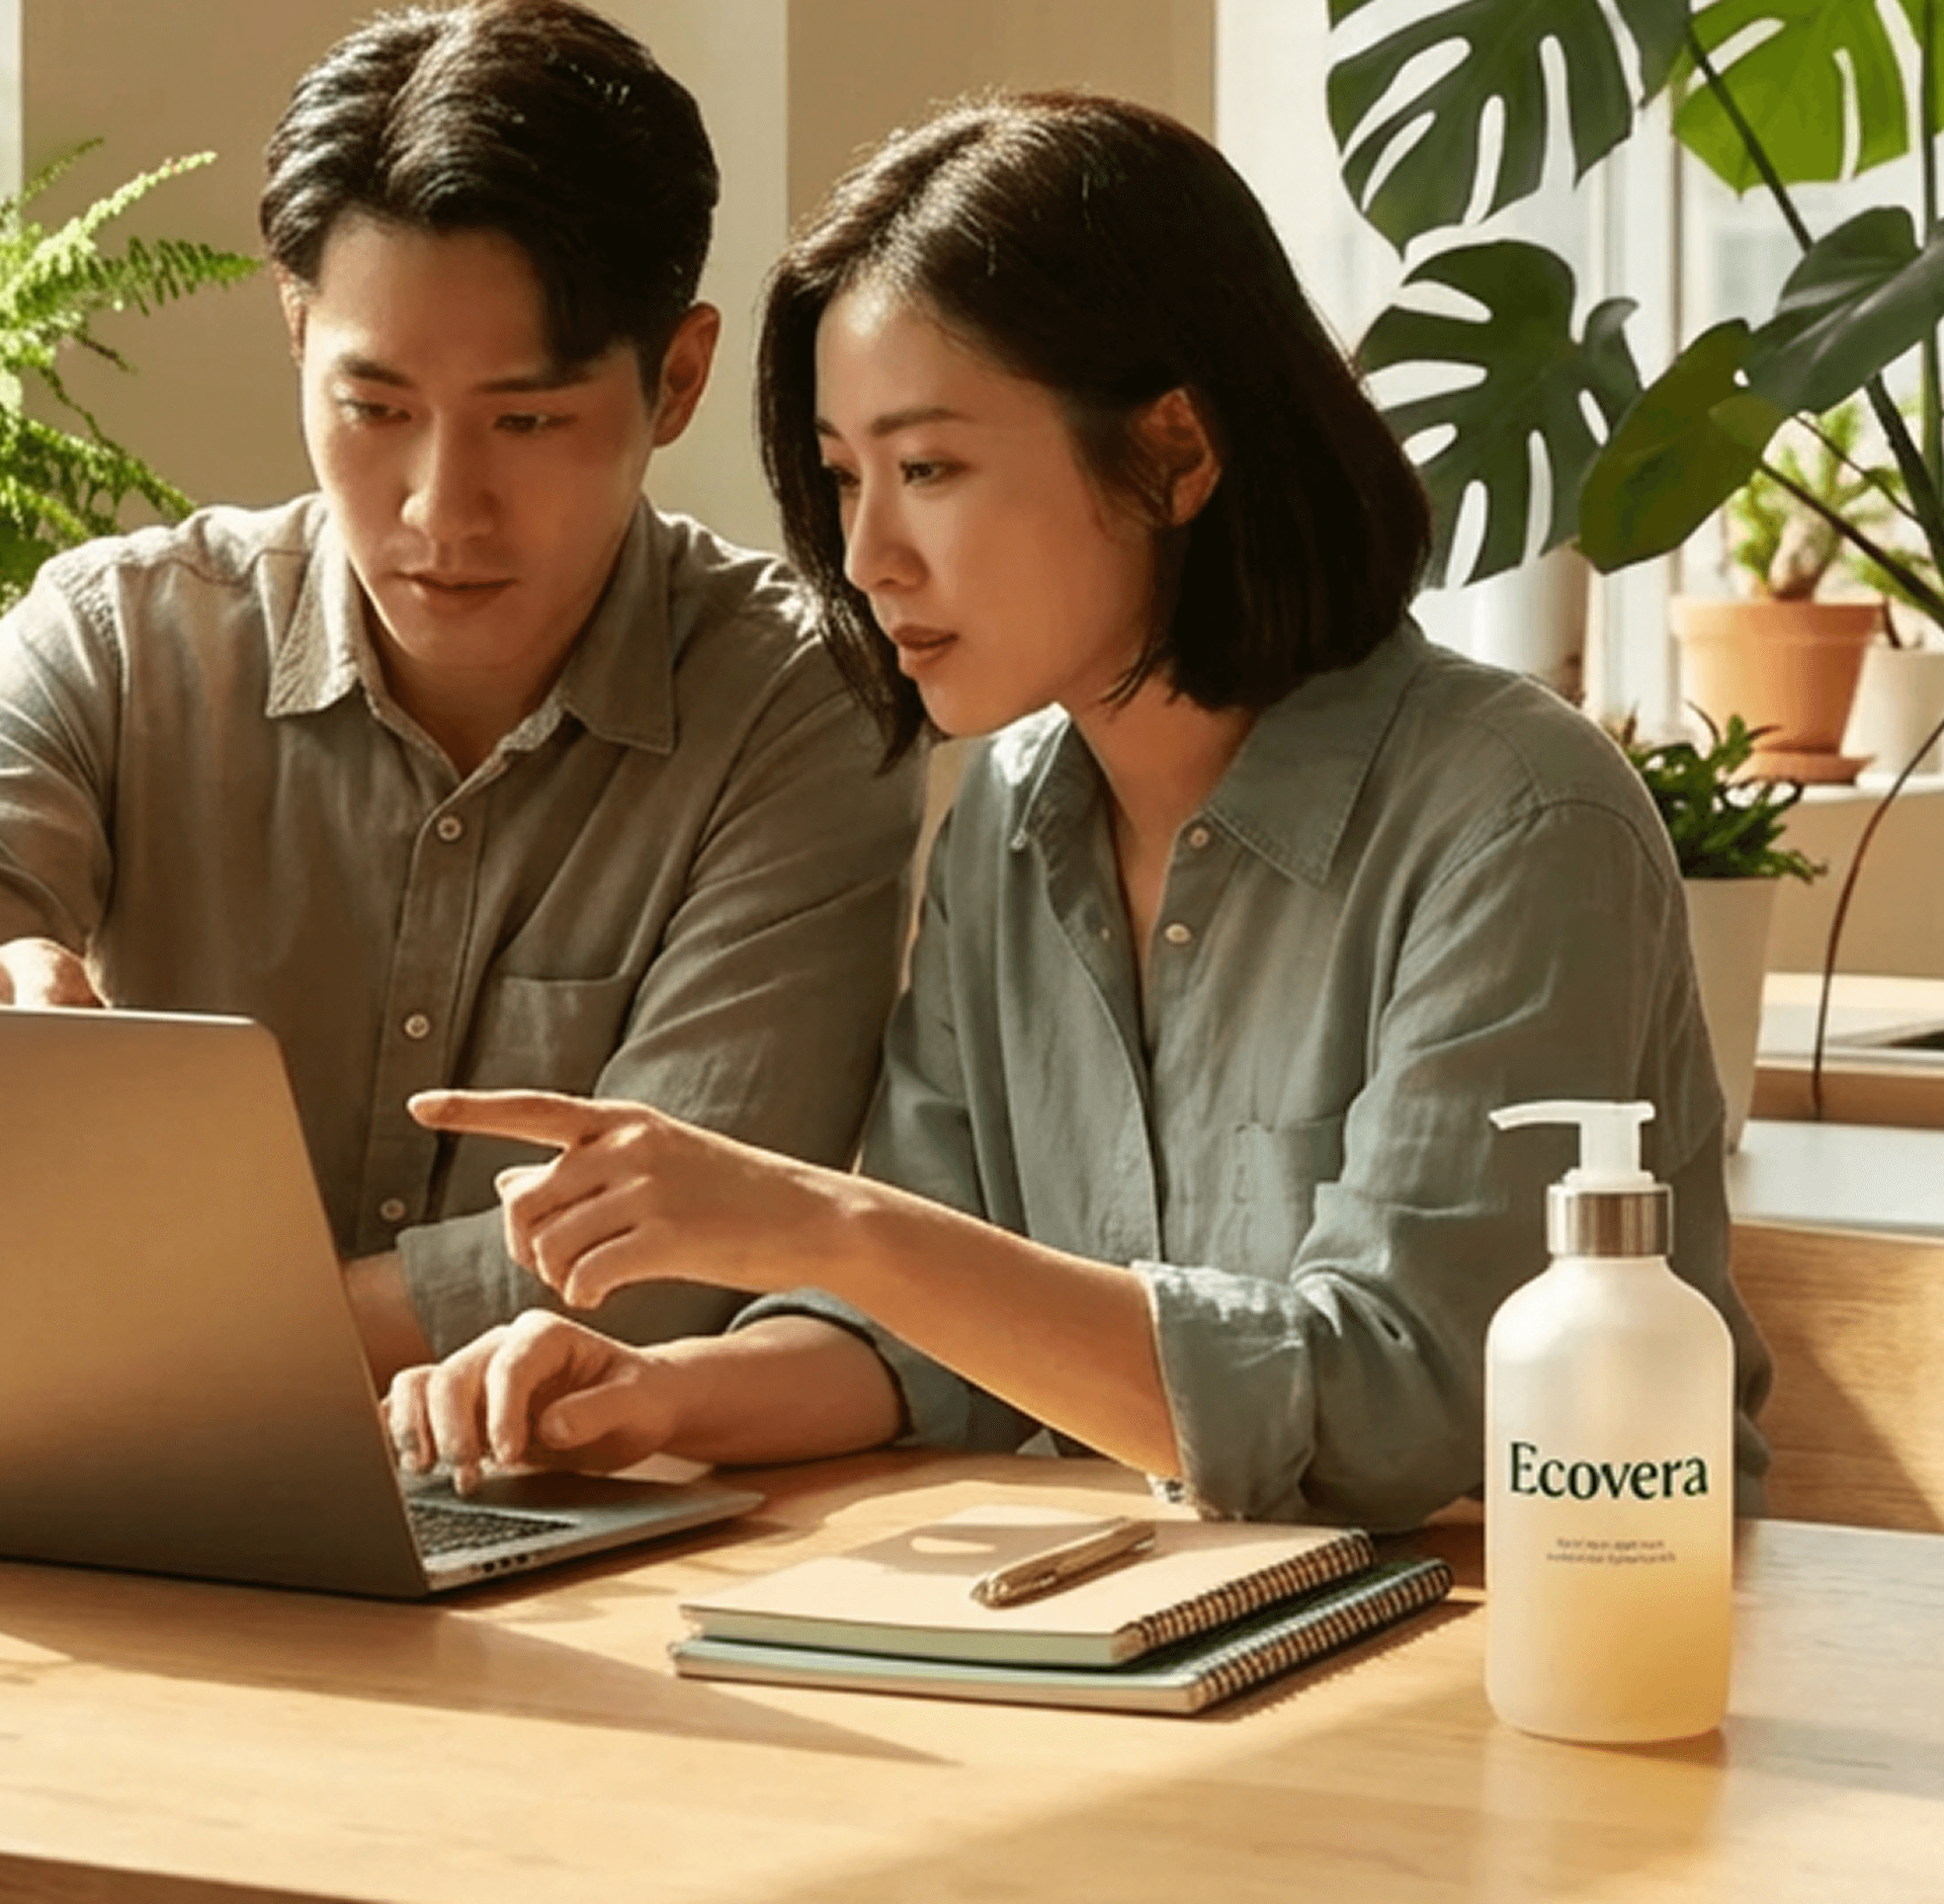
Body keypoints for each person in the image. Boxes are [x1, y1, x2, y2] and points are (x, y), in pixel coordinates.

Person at [388, 90, 1772, 1532]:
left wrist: (831, 1222)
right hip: (1160, 1613)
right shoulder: (1009, 816)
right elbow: (937, 1343)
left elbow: (1395, 1408)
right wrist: (655, 1395)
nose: (867, 556)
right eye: (846, 477)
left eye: (929, 469)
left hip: (1565, 1627)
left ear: (1174, 453)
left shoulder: (1520, 821)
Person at [0, 0, 924, 1384]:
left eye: (528, 419)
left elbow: (671, 1264)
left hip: (581, 1494)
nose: (441, 508)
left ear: (677, 378)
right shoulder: (124, 641)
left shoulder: (803, 704)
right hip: (105, 1453)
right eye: (375, 410)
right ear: (297, 331)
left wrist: (142, 1348)